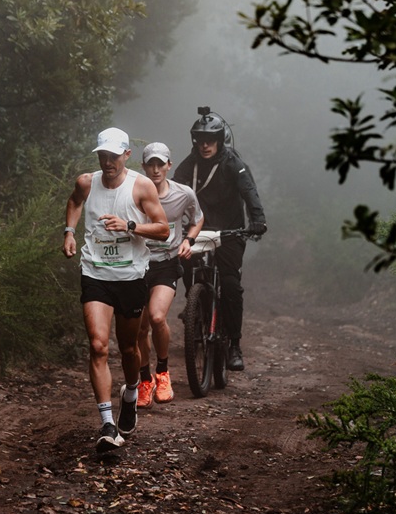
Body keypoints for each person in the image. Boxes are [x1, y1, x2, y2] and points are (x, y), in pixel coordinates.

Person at [63, 127, 170, 453]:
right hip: (95, 273)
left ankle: (131, 392)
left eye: (114, 156)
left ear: (126, 155)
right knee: (97, 346)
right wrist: (69, 232)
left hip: (130, 276)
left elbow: (163, 229)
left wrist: (130, 225)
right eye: (103, 156)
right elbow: (74, 201)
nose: (108, 162)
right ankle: (108, 424)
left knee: (128, 349)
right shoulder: (87, 182)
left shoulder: (141, 186)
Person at [172, 107, 267, 372]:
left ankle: (234, 344)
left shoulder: (233, 164)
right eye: (201, 140)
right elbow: (172, 191)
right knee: (186, 264)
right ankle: (195, 308)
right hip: (198, 230)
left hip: (229, 231)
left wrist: (257, 221)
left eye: (210, 140)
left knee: (230, 285)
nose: (205, 145)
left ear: (220, 139)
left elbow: (249, 192)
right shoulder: (189, 165)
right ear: (195, 141)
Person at [135, 142, 204, 408]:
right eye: (150, 164)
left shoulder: (183, 194)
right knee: (140, 328)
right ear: (143, 166)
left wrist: (189, 240)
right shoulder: (133, 192)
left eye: (160, 164)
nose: (155, 169)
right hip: (136, 264)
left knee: (156, 317)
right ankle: (144, 380)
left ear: (168, 166)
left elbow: (198, 218)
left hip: (166, 263)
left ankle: (162, 372)